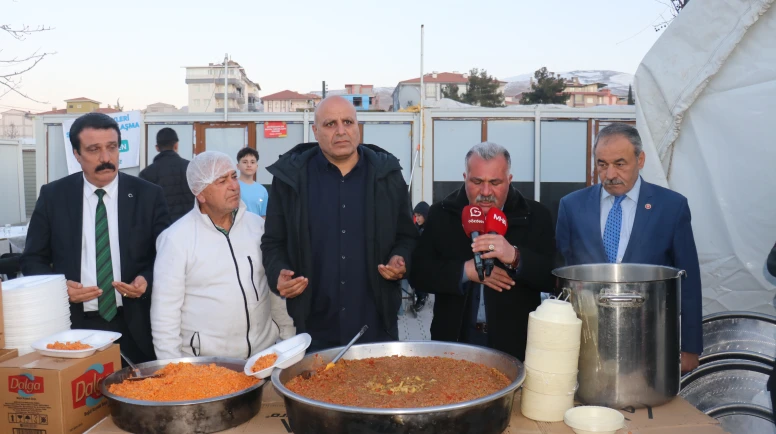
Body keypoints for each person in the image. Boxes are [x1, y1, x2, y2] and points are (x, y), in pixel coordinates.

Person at [261, 96, 418, 352]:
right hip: (313, 329)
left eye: (347, 122)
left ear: (358, 126)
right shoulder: (290, 180)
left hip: (376, 325)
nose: (341, 131)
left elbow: (407, 236)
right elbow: (273, 243)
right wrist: (278, 273)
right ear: (315, 131)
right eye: (330, 124)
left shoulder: (387, 175)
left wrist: (401, 259)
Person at [21, 112, 170, 364]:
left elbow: (167, 254)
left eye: (112, 148)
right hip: (75, 329)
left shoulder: (148, 195)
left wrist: (147, 278)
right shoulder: (54, 196)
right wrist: (59, 288)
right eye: (94, 149)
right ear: (77, 155)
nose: (105, 158)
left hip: (137, 327)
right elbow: (32, 260)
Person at [556, 122, 703, 373]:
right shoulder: (572, 207)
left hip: (650, 344)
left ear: (640, 159)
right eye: (602, 164)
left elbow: (688, 281)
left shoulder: (671, 208)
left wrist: (690, 347)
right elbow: (559, 276)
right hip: (587, 344)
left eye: (620, 163)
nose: (610, 174)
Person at [409, 142, 556, 360]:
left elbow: (552, 278)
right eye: (477, 182)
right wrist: (464, 272)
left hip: (515, 345)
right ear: (465, 177)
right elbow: (419, 275)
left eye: (495, 182)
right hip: (453, 342)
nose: (485, 192)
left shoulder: (536, 215)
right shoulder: (441, 214)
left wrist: (516, 258)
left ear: (509, 180)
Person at [151, 151, 295, 360]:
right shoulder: (176, 239)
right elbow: (165, 315)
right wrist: (173, 370)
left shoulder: (259, 227)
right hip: (208, 368)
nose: (234, 186)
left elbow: (275, 291)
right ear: (199, 193)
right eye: (222, 181)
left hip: (264, 359)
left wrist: (287, 340)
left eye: (233, 177)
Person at [139, 128, 195, 223]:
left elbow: (144, 208)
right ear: (176, 145)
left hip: (162, 229)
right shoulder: (191, 168)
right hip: (190, 226)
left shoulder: (146, 174)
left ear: (157, 147)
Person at [237, 147, 269, 218]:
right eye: (245, 162)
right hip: (235, 228)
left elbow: (263, 216)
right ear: (238, 166)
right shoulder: (232, 186)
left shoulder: (262, 190)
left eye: (252, 162)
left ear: (256, 166)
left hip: (256, 228)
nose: (249, 165)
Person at [411, 201, 430, 312]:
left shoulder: (431, 227)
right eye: (416, 216)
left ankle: (421, 297)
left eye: (419, 216)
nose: (417, 219)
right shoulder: (417, 227)